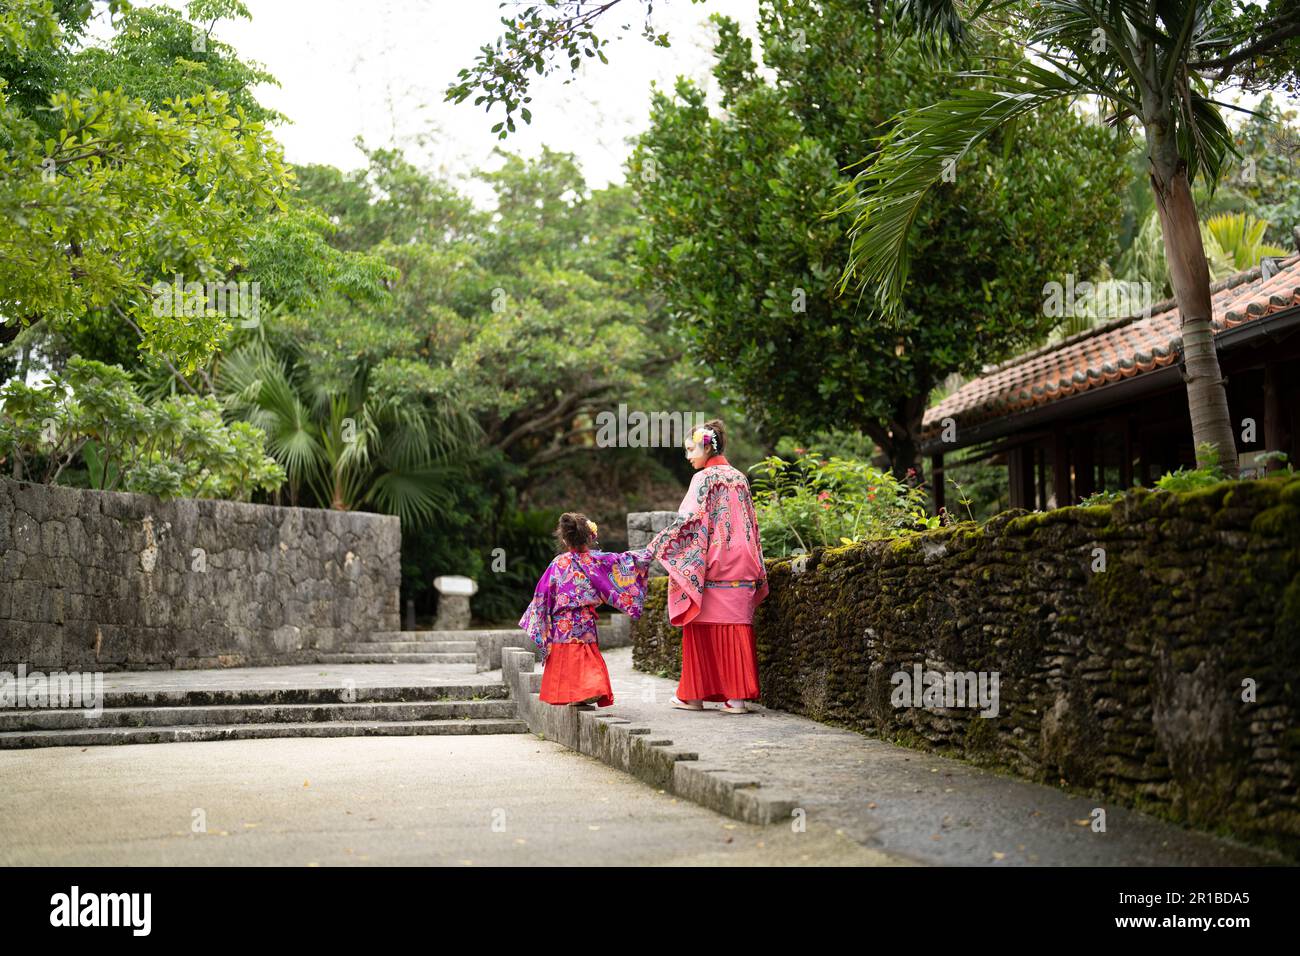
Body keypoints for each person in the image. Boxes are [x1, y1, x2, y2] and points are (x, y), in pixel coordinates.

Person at [648, 419, 768, 714]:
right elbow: (751, 522)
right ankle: (736, 699)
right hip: (744, 560)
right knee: (735, 627)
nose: (688, 456)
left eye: (691, 450)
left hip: (714, 562)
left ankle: (694, 695)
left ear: (705, 446)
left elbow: (688, 522)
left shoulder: (703, 480)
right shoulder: (740, 477)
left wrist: (657, 546)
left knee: (700, 627)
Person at [519, 512, 653, 707]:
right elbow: (626, 561)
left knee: (567, 657)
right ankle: (590, 690)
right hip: (585, 618)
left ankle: (578, 693)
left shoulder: (558, 564)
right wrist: (652, 550)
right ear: (590, 537)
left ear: (565, 539)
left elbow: (542, 593)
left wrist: (538, 617)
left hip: (562, 621)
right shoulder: (598, 561)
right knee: (585, 655)